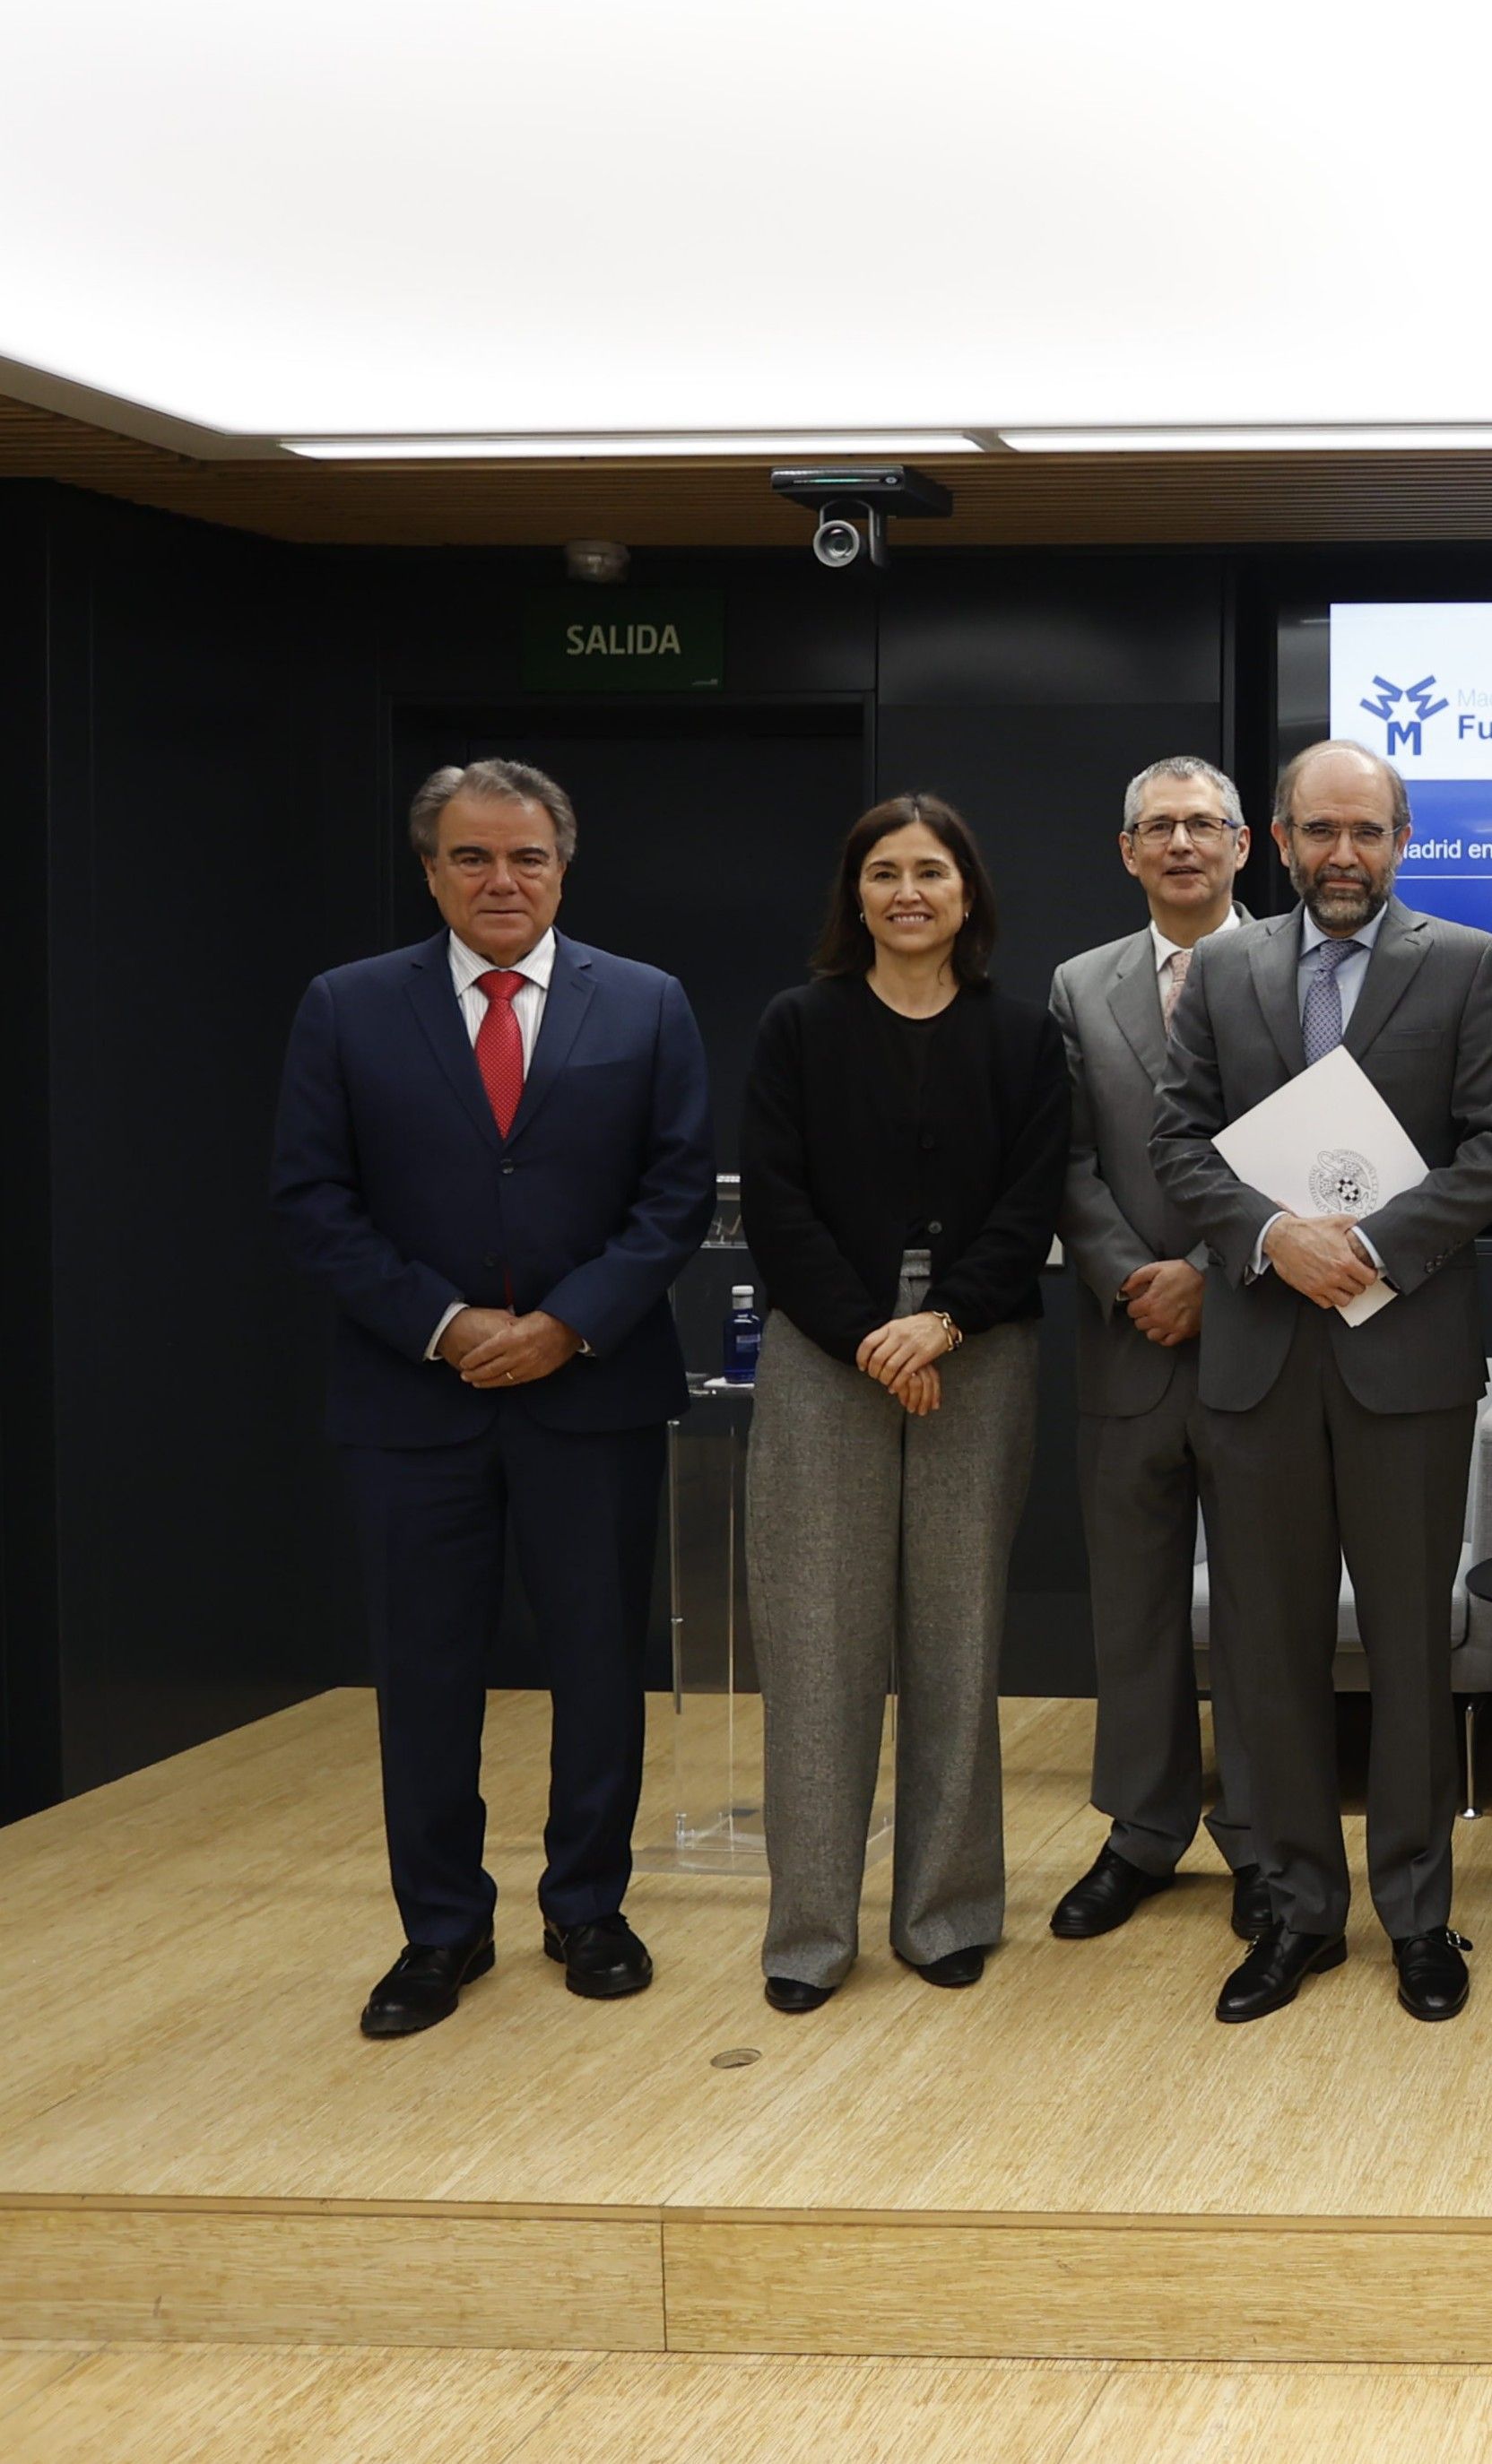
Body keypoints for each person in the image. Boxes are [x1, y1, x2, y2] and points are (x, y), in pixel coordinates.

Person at [273, 761, 711, 2039]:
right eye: (471, 857)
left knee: (599, 1664)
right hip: (414, 1398)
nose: (500, 879)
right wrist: (447, 1324)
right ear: (430, 872)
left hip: (593, 1389)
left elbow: (677, 1191)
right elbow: (312, 1198)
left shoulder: (648, 1002)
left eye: (526, 857)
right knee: (425, 1673)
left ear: (563, 870)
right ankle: (441, 1928)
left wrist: (567, 1322)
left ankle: (589, 1907)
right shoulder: (348, 1005)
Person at [1154, 739, 1492, 2025]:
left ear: (1401, 839)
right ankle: (1299, 1911)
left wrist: (1371, 1245)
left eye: (1367, 831)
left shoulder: (1465, 963)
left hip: (1405, 1363)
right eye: (1319, 830)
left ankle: (1418, 1915)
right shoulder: (1224, 968)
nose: (1343, 854)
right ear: (1278, 839)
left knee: (1413, 1649)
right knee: (1267, 1651)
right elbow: (1177, 1140)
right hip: (1258, 1362)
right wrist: (1274, 1237)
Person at [739, 794, 1070, 2013]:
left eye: (931, 871)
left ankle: (946, 1913)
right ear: (856, 895)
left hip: (976, 1350)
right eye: (884, 872)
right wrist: (871, 1335)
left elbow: (1033, 1200)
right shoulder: (797, 1025)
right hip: (827, 1351)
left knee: (957, 1637)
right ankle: (809, 1931)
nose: (908, 892)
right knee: (816, 1644)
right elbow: (775, 1200)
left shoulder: (1023, 1035)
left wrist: (945, 1320)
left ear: (967, 892)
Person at [1045, 759, 1264, 1946]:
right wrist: (1137, 1277)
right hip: (1127, 1340)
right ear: (1127, 852)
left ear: (1243, 845)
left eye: (1202, 824)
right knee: (1132, 1607)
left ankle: (1265, 1835)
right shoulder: (1080, 986)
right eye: (1158, 827)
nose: (1182, 843)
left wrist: (1215, 1277)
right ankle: (1141, 1830)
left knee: (1263, 1610)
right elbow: (1068, 1159)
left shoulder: (1297, 970)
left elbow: (1316, 1155)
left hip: (1262, 1338)